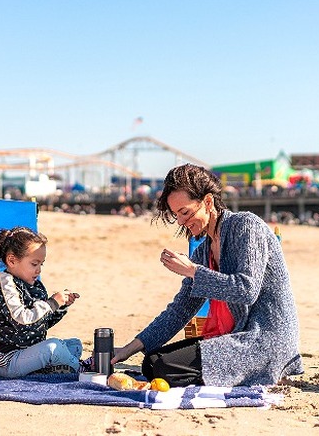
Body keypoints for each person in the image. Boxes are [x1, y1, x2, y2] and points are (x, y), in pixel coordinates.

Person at [112, 164, 304, 387]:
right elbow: (180, 309)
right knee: (151, 362)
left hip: (264, 339)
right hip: (236, 338)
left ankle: (264, 372)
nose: (181, 222)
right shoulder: (205, 249)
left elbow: (246, 290)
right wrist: (128, 349)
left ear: (208, 202)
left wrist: (193, 271)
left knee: (163, 368)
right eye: (176, 215)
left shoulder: (245, 226)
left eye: (185, 212)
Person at [0, 226, 89, 377]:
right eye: (34, 264)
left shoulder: (34, 284)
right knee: (53, 348)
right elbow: (22, 320)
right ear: (12, 260)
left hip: (28, 351)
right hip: (8, 360)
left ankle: (49, 368)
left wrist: (60, 308)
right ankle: (84, 371)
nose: (39, 270)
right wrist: (52, 303)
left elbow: (40, 324)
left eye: (41, 264)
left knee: (75, 345)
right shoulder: (5, 282)